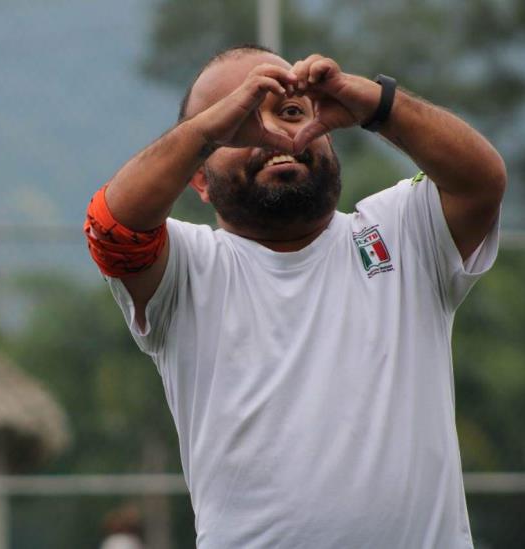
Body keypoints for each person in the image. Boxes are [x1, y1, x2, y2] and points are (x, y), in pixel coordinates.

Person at [84, 44, 506, 549]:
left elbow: (482, 182)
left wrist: (377, 103)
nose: (274, 133)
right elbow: (112, 228)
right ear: (197, 175)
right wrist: (205, 128)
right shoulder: (186, 267)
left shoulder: (401, 231)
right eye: (240, 123)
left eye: (291, 111)